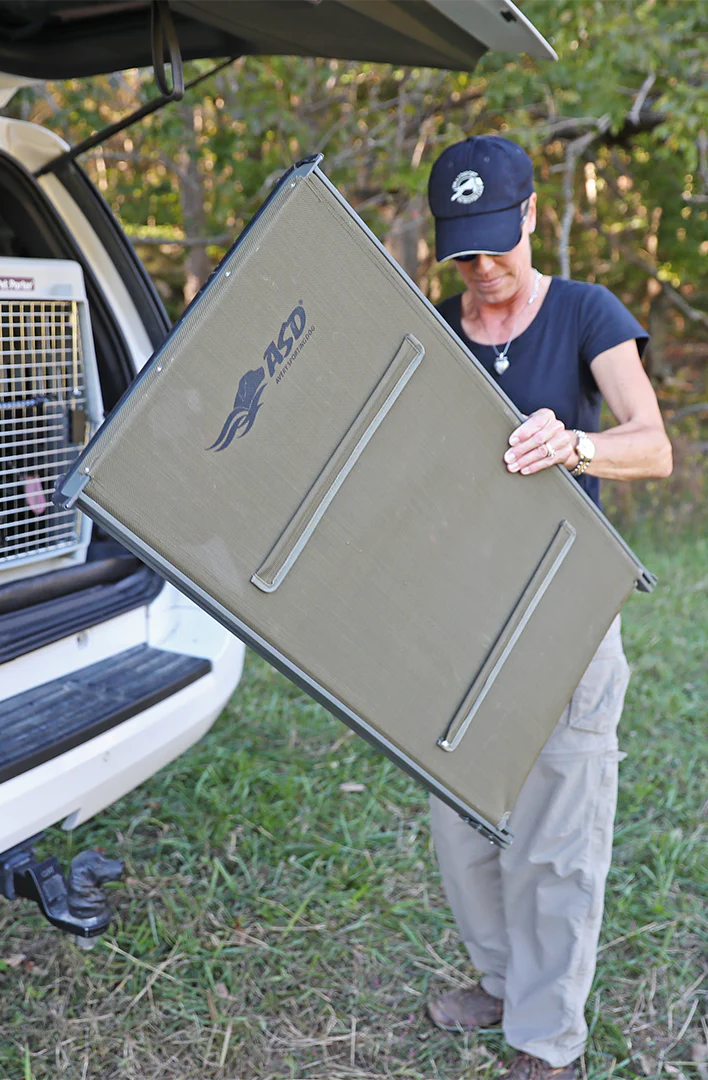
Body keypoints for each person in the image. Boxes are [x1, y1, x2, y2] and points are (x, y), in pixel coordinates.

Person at [423, 135, 672, 1080]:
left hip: (565, 606)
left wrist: (575, 444)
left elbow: (653, 448)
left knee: (558, 831)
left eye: (497, 244)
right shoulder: (436, 331)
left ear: (531, 215)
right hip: (460, 611)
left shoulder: (584, 314)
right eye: (463, 253)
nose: (483, 270)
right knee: (463, 822)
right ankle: (498, 981)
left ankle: (545, 1038)